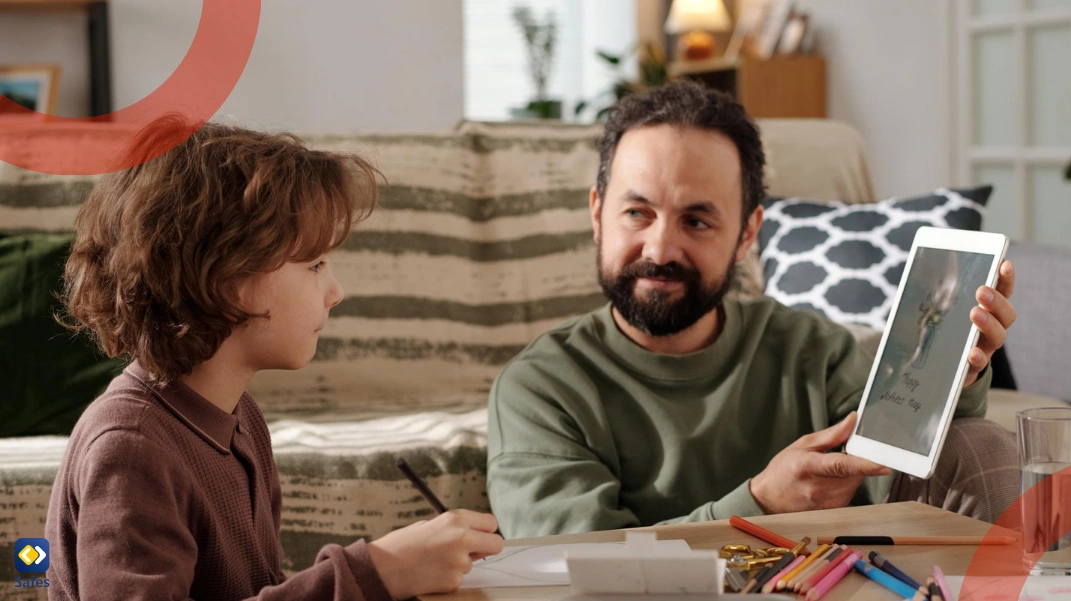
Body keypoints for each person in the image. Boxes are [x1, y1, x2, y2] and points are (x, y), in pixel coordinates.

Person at [486, 81, 1020, 539]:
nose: (659, 249)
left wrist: (955, 372)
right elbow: (577, 568)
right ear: (598, 214)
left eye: (696, 221)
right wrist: (760, 506)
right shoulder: (541, 389)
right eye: (637, 212)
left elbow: (913, 453)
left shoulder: (812, 351)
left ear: (747, 234)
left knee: (983, 445)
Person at [47, 117, 503, 601]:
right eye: (315, 265)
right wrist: (374, 574)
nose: (336, 292)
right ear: (225, 275)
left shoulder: (239, 417)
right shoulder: (132, 448)